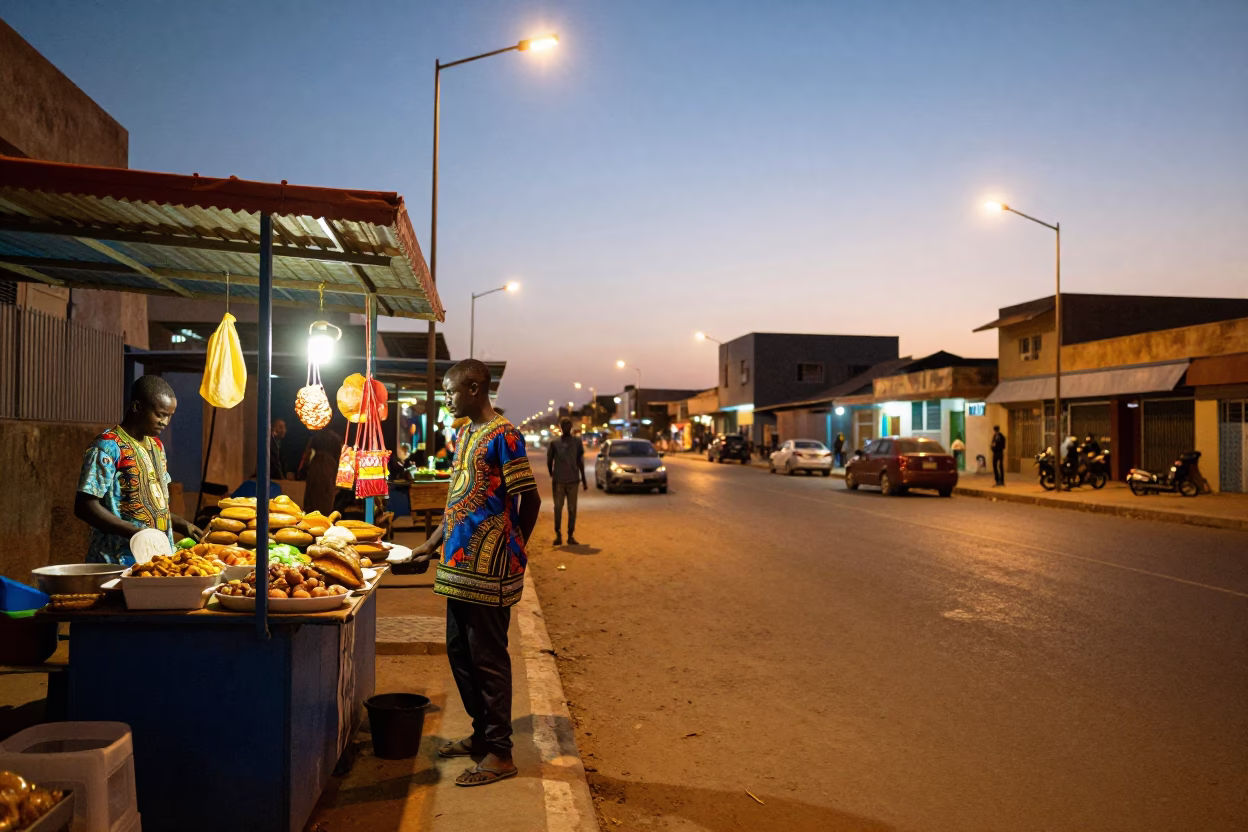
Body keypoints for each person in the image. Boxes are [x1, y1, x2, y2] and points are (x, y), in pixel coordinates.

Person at [412, 360, 540, 787]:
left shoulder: (505, 435)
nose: (446, 399)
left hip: (491, 568)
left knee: (487, 658)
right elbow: (459, 498)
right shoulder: (465, 433)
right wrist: (430, 545)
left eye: (450, 392)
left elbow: (530, 499)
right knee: (459, 650)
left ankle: (501, 753)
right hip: (457, 566)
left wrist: (514, 545)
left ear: (474, 387)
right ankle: (481, 735)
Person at [74, 375, 202, 564]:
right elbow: (85, 506)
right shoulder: (108, 446)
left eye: (169, 416)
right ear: (137, 407)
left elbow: (154, 506)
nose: (165, 422)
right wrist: (137, 532)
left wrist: (182, 524)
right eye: (160, 414)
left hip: (156, 559)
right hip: (117, 560)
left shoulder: (156, 446)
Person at [547, 417, 587, 546]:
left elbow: (579, 461)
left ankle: (570, 535)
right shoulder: (554, 443)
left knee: (572, 509)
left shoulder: (577, 442)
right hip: (559, 480)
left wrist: (584, 479)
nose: (566, 426)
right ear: (560, 426)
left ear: (571, 426)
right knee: (558, 508)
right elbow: (549, 460)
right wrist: (551, 474)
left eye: (569, 424)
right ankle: (558, 534)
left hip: (573, 480)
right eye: (564, 424)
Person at [299, 425, 343, 515]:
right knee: (325, 501)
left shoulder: (316, 438)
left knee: (311, 500)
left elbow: (306, 457)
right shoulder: (336, 440)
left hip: (315, 467)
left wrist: (302, 472)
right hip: (329, 469)